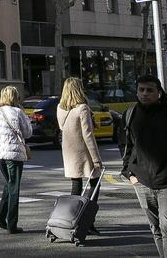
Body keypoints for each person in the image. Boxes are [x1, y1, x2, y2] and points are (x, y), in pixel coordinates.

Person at [121, 74, 167, 257]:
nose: (145, 94)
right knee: (155, 227)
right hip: (142, 183)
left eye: (150, 90)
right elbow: (125, 146)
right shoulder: (129, 115)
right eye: (141, 90)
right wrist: (129, 173)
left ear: (159, 93)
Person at [57, 78, 102, 234]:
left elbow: (63, 127)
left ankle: (71, 219)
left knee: (76, 187)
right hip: (84, 153)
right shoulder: (83, 108)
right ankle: (87, 220)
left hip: (69, 153)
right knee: (95, 186)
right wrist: (96, 159)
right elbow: (88, 135)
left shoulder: (60, 108)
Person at [0, 85, 32, 234]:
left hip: (0, 156)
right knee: (14, 188)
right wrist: (26, 117)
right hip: (14, 156)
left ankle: (0, 216)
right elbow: (28, 133)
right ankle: (12, 224)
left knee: (9, 184)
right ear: (15, 97)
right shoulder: (18, 112)